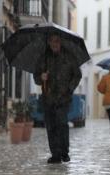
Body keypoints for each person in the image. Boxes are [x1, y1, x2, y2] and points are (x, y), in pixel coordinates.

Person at [33, 34, 82, 163]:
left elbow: (77, 75)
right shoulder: (44, 58)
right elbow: (36, 76)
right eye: (52, 41)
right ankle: (55, 154)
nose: (54, 44)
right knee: (51, 126)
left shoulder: (69, 57)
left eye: (57, 41)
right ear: (48, 42)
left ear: (60, 42)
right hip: (48, 97)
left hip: (64, 98)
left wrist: (70, 88)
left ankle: (64, 152)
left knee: (62, 124)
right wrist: (41, 77)